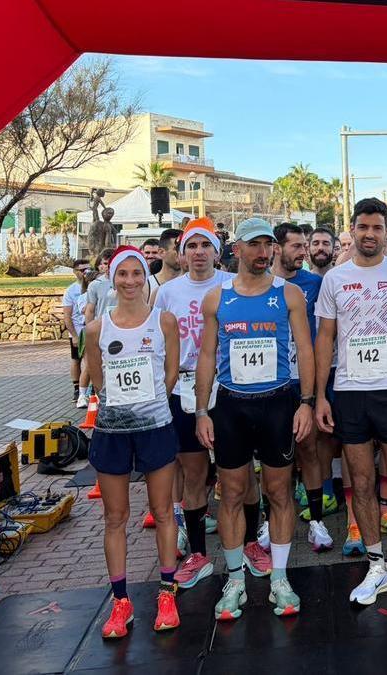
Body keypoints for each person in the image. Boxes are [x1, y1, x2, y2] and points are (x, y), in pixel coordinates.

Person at [314, 198, 387, 618]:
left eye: (377, 227)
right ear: (353, 227)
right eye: (362, 227)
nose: (369, 234)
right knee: (361, 485)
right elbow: (324, 339)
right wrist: (320, 395)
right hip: (348, 393)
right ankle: (378, 565)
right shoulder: (335, 278)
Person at [194, 218, 316, 620]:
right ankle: (235, 580)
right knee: (231, 494)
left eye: (268, 245)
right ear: (238, 250)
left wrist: (307, 403)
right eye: (255, 245)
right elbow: (207, 357)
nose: (264, 252)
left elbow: (305, 348)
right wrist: (201, 411)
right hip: (231, 406)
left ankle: (279, 578)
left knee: (279, 493)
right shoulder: (217, 298)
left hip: (278, 403)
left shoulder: (290, 294)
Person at [83, 246, 182, 638]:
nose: (129, 281)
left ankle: (167, 592)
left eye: (136, 274)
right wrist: (120, 408)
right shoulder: (96, 329)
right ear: (111, 278)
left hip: (156, 427)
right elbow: (97, 378)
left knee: (162, 512)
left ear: (146, 276)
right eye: (121, 274)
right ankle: (120, 601)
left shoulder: (165, 322)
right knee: (115, 517)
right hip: (112, 432)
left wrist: (149, 404)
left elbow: (171, 373)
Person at [153, 219, 234, 589]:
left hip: (228, 384)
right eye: (192, 246)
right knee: (194, 473)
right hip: (184, 385)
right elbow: (158, 343)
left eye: (206, 245)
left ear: (217, 251)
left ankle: (249, 544)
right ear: (182, 253)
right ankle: (199, 552)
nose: (199, 252)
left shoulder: (231, 284)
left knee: (239, 472)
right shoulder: (168, 292)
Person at [270, 223, 333, 553]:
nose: (303, 251)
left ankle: (316, 520)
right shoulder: (263, 283)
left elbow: (324, 334)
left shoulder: (316, 283)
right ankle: (271, 522)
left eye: (304, 245)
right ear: (277, 248)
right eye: (296, 246)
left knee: (308, 448)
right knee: (270, 455)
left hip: (302, 378)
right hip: (270, 381)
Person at [62, 259, 91, 403]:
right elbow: (67, 316)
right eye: (82, 270)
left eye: (88, 269)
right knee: (76, 359)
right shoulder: (71, 290)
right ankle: (77, 388)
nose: (86, 273)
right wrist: (74, 335)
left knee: (89, 360)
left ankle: (85, 389)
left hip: (90, 329)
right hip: (77, 330)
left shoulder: (93, 286)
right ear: (75, 272)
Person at [148, 229, 184, 301]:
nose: (182, 252)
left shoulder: (193, 284)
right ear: (161, 252)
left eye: (183, 248)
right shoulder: (147, 285)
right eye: (176, 248)